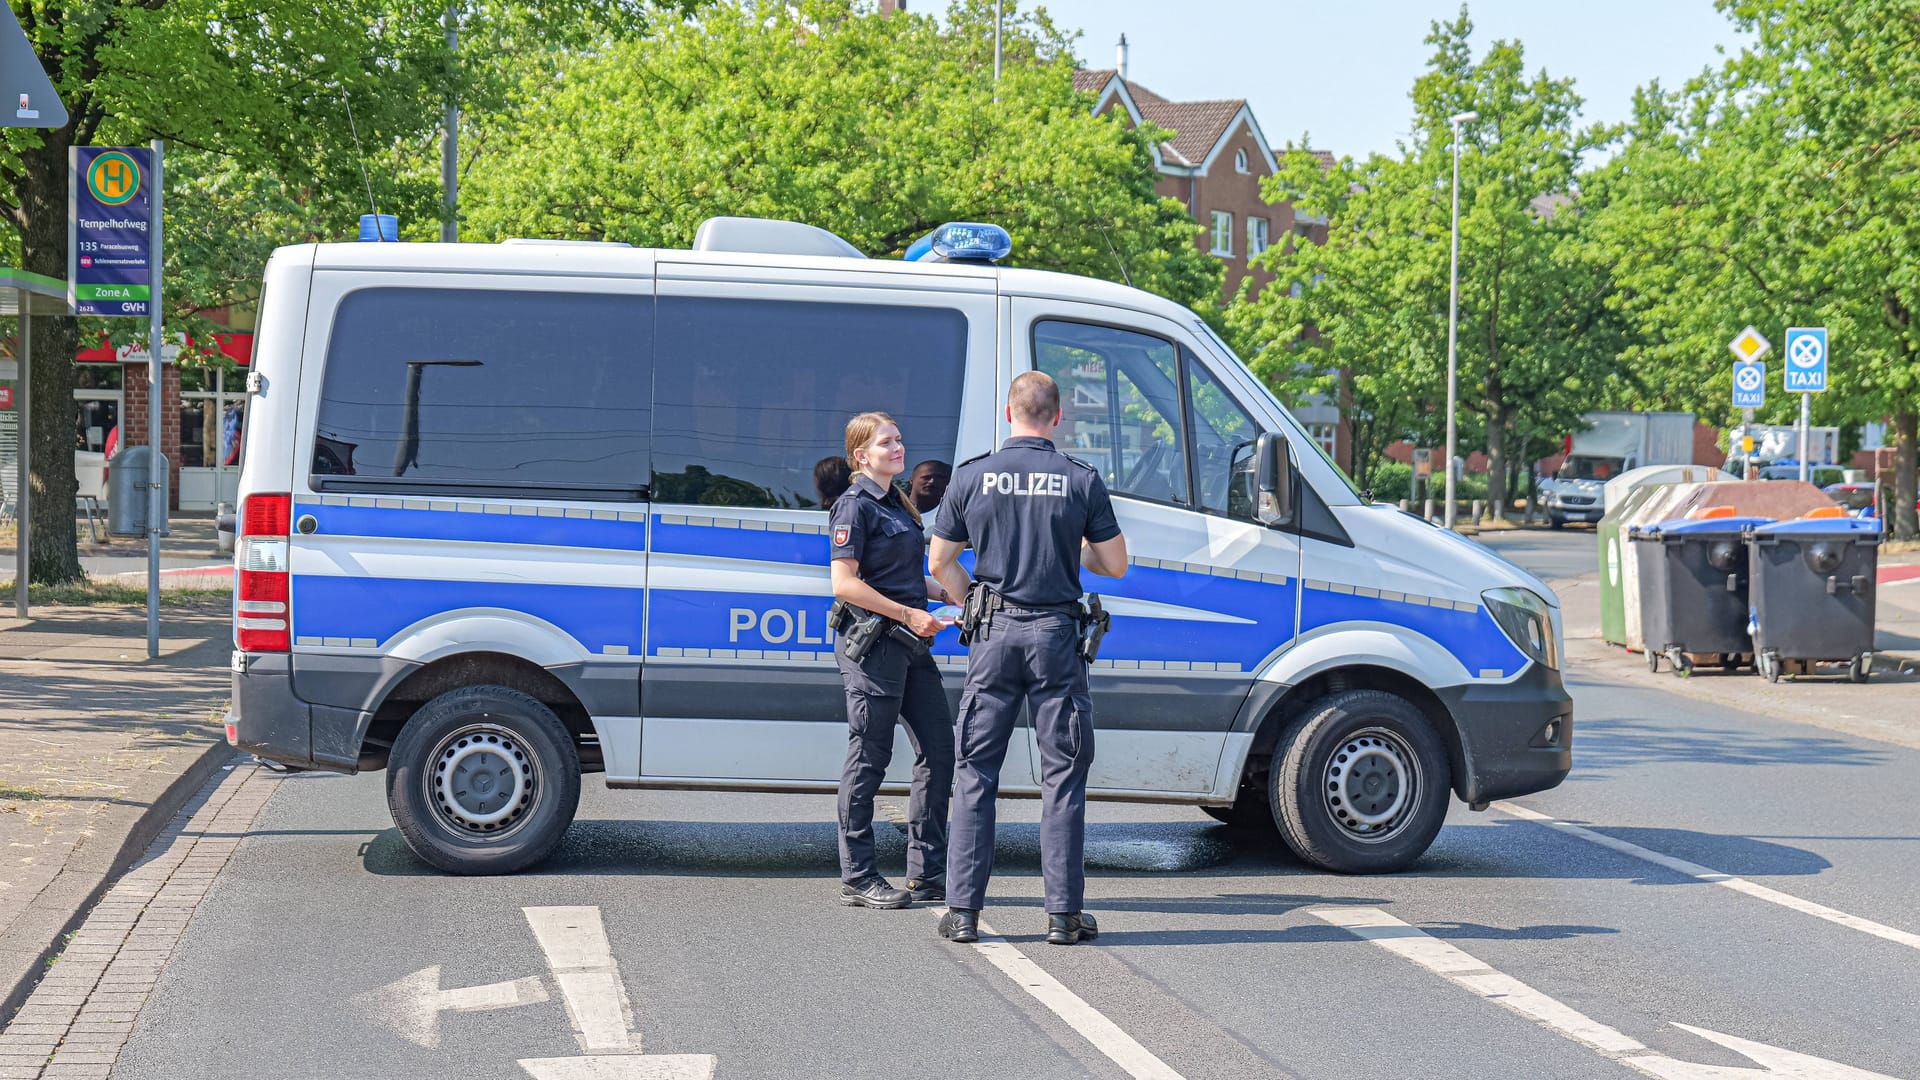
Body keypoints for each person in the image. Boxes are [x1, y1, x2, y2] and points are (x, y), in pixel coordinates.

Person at [927, 372, 1128, 946]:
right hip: (1056, 639)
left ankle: (963, 913)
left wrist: (974, 602)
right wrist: (1070, 542)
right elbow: (1113, 565)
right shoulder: (1080, 480)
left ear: (1008, 412)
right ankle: (1063, 916)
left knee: (975, 772)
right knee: (1063, 776)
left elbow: (940, 560)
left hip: (992, 636)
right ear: (1058, 417)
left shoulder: (972, 476)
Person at [827, 413, 955, 909]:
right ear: (861, 455)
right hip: (875, 645)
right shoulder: (854, 506)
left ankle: (927, 872)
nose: (898, 447)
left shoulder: (897, 504)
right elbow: (845, 583)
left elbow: (902, 574)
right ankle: (857, 877)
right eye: (887, 442)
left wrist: (947, 596)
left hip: (909, 642)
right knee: (870, 758)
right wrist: (908, 613)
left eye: (900, 439)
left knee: (939, 751)